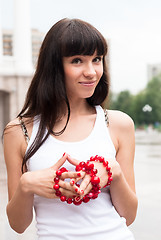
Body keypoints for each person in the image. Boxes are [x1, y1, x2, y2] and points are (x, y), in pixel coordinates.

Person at [3, 18, 138, 240]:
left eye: (97, 59)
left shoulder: (118, 124)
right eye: (77, 61)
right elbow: (18, 225)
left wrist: (114, 172)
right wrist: (27, 185)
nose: (91, 71)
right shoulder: (19, 131)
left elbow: (129, 215)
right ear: (54, 66)